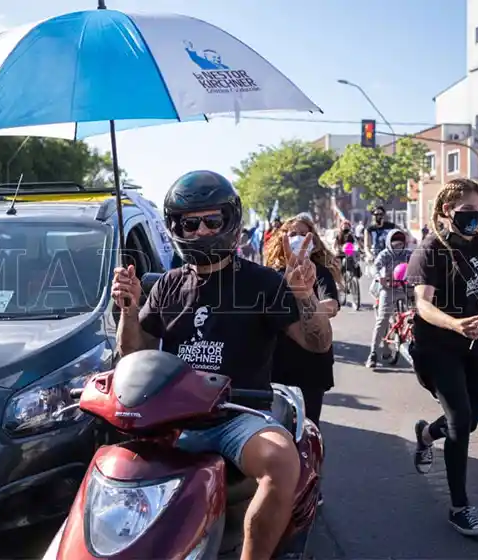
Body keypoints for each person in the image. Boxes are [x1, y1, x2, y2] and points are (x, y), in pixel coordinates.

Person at [111, 171, 333, 560]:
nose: (200, 231)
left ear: (230, 221)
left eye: (211, 220)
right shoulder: (166, 285)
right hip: (172, 417)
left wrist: (305, 295)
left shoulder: (263, 283)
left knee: (281, 460)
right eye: (189, 223)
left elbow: (317, 343)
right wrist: (128, 311)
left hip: (237, 416)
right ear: (175, 227)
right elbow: (133, 356)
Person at [403, 179, 478, 538]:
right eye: (467, 212)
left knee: (470, 421)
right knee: (460, 422)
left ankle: (426, 434)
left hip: (477, 345)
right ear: (446, 211)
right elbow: (423, 304)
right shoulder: (430, 250)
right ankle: (460, 508)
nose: (476, 218)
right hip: (438, 346)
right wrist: (455, 324)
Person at [264, 214, 341, 424]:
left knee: (308, 426)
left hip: (312, 363)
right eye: (293, 234)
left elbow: (331, 306)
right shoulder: (270, 275)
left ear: (313, 242)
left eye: (304, 234)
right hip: (276, 361)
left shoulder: (321, 273)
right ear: (283, 239)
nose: (298, 238)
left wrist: (304, 302)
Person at [366, 229, 413, 368]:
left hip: (405, 288)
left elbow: (419, 265)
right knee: (383, 319)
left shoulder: (408, 254)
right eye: (395, 243)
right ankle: (373, 353)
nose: (398, 246)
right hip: (388, 289)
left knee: (418, 313)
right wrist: (379, 277)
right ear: (389, 243)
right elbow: (375, 266)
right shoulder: (385, 254)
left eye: (401, 243)